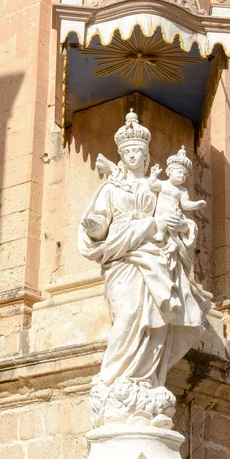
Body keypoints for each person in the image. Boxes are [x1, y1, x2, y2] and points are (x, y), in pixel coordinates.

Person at [78, 109, 209, 391]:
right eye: (128, 151)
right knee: (127, 312)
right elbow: (100, 223)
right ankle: (113, 379)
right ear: (122, 155)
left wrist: (183, 228)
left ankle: (145, 379)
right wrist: (94, 226)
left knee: (156, 317)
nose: (133, 155)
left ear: (146, 155)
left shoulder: (158, 189)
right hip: (123, 254)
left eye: (138, 150)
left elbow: (177, 219)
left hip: (153, 255)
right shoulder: (110, 188)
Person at [148, 146, 206, 243]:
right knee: (163, 220)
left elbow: (185, 204)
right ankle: (161, 233)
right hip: (161, 214)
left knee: (174, 219)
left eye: (185, 175)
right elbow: (152, 185)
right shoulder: (163, 184)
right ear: (170, 172)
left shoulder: (183, 190)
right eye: (180, 172)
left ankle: (170, 238)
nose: (182, 176)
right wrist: (153, 175)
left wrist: (196, 204)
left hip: (175, 214)